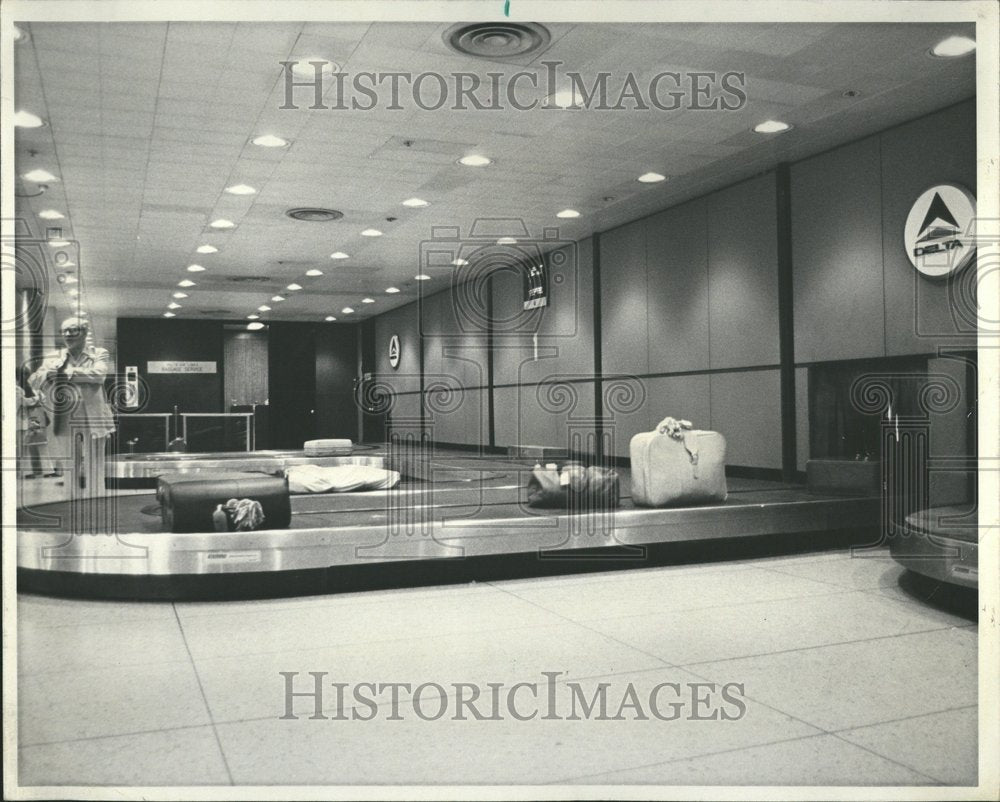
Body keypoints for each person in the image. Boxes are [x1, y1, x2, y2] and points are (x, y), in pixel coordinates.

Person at [28, 317, 115, 499]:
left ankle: (95, 499)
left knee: (95, 461)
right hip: (64, 416)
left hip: (94, 415)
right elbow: (34, 380)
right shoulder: (53, 357)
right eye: (64, 331)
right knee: (70, 463)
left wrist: (62, 374)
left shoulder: (99, 353)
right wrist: (46, 375)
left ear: (84, 333)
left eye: (72, 330)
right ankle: (71, 501)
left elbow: (98, 375)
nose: (67, 334)